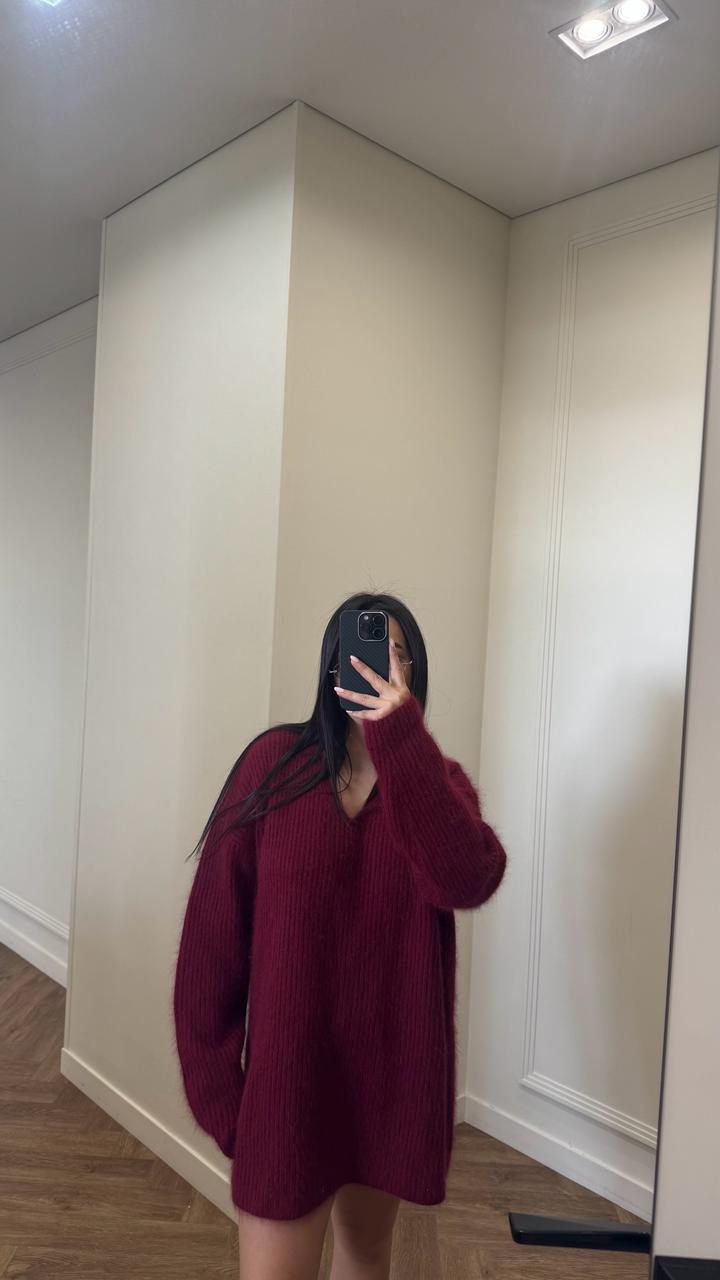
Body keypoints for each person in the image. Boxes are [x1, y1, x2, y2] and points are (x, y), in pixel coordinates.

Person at [172, 591, 507, 1280]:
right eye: (369, 651)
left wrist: (400, 738)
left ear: (414, 676)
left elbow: (466, 880)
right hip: (287, 1086)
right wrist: (223, 1100)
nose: (383, 667)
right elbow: (211, 942)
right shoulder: (273, 766)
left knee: (366, 1258)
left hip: (389, 1092)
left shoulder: (437, 784)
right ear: (333, 666)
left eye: (398, 656)